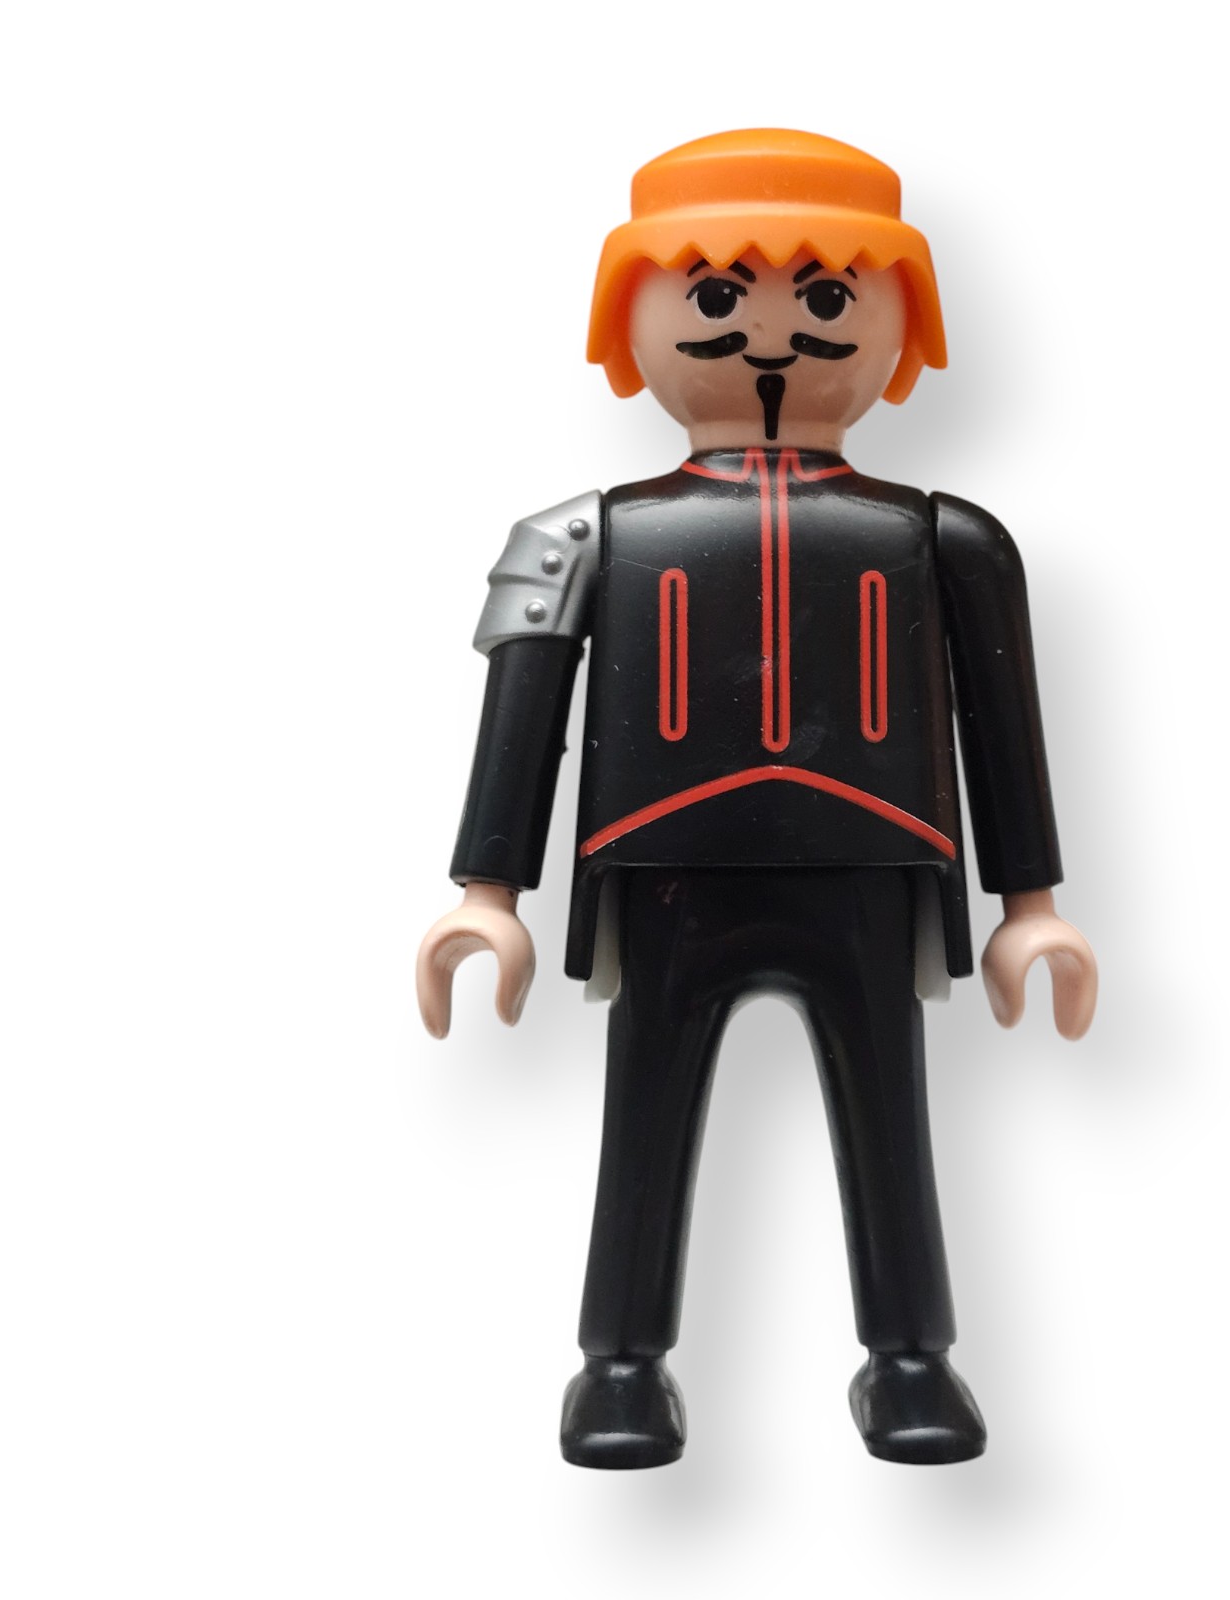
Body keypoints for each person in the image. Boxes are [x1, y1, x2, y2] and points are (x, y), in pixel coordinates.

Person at [416, 128, 1098, 1468]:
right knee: (645, 1114)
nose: (773, 336)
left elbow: (1004, 721)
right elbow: (523, 717)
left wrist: (1033, 904)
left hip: (870, 866)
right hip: (665, 867)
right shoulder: (579, 536)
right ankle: (622, 1363)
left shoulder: (949, 541)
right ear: (632, 321)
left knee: (889, 1115)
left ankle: (910, 1357)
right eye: (719, 295)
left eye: (828, 296)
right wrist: (485, 892)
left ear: (901, 326)